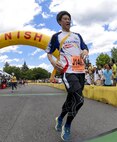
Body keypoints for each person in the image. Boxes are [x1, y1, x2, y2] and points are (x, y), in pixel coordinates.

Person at [46, 11, 89, 141]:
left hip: (80, 71)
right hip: (67, 71)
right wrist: (53, 61)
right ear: (60, 22)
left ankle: (59, 118)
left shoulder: (77, 35)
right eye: (65, 19)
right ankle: (67, 125)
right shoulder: (56, 37)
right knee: (79, 100)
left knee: (71, 99)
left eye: (69, 18)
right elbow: (48, 52)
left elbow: (85, 47)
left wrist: (85, 51)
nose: (68, 20)